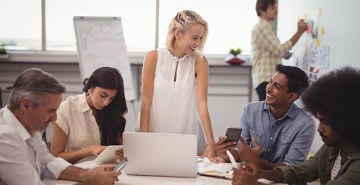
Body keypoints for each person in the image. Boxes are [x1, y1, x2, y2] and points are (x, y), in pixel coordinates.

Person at [232, 66, 360, 185]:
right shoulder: (331, 148)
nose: (319, 128)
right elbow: (298, 171)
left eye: (325, 122)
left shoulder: (357, 166)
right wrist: (259, 173)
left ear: (347, 121)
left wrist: (255, 182)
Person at [0, 68, 120, 185]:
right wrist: (91, 181)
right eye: (50, 111)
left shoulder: (28, 125)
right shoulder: (4, 139)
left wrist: (89, 174)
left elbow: (49, 164)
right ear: (26, 105)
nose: (55, 118)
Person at [137, 10, 217, 161]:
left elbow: (202, 104)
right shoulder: (153, 57)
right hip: (152, 133)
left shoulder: (200, 62)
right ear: (178, 33)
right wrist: (144, 141)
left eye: (201, 38)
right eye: (194, 38)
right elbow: (146, 103)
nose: (198, 43)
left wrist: (211, 144)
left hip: (185, 137)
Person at [216, 64, 315, 170]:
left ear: (291, 96)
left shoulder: (305, 124)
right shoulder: (250, 110)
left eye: (277, 86)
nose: (268, 88)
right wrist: (228, 154)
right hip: (250, 177)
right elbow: (241, 152)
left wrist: (257, 163)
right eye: (270, 82)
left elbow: (292, 168)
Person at [51, 67, 128, 164]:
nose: (106, 103)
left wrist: (121, 155)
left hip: (107, 169)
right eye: (103, 95)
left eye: (111, 98)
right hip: (77, 172)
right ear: (90, 87)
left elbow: (119, 149)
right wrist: (89, 149)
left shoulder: (112, 110)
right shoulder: (66, 110)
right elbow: (56, 156)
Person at [252, 0, 308, 101]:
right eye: (273, 8)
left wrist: (286, 54)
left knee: (270, 114)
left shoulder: (266, 27)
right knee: (268, 114)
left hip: (266, 79)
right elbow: (279, 50)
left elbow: (276, 52)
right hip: (266, 79)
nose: (277, 11)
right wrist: (299, 32)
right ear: (262, 10)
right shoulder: (263, 27)